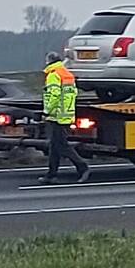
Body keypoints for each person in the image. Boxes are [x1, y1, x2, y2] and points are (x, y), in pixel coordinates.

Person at [39, 52, 90, 184]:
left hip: (55, 115)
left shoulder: (53, 75)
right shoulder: (66, 74)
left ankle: (82, 167)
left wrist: (46, 111)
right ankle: (51, 174)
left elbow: (54, 95)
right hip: (65, 114)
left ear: (48, 61)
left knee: (61, 146)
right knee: (54, 146)